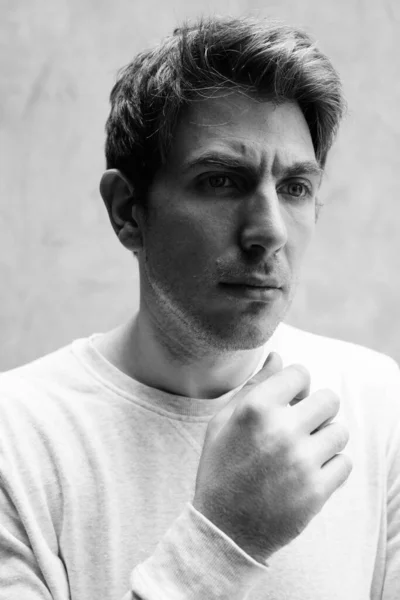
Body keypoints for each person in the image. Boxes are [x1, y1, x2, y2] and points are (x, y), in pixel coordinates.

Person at [0, 14, 399, 600]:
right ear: (128, 211)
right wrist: (223, 541)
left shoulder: (378, 406)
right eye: (222, 180)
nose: (269, 231)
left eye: (295, 188)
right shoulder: (16, 438)